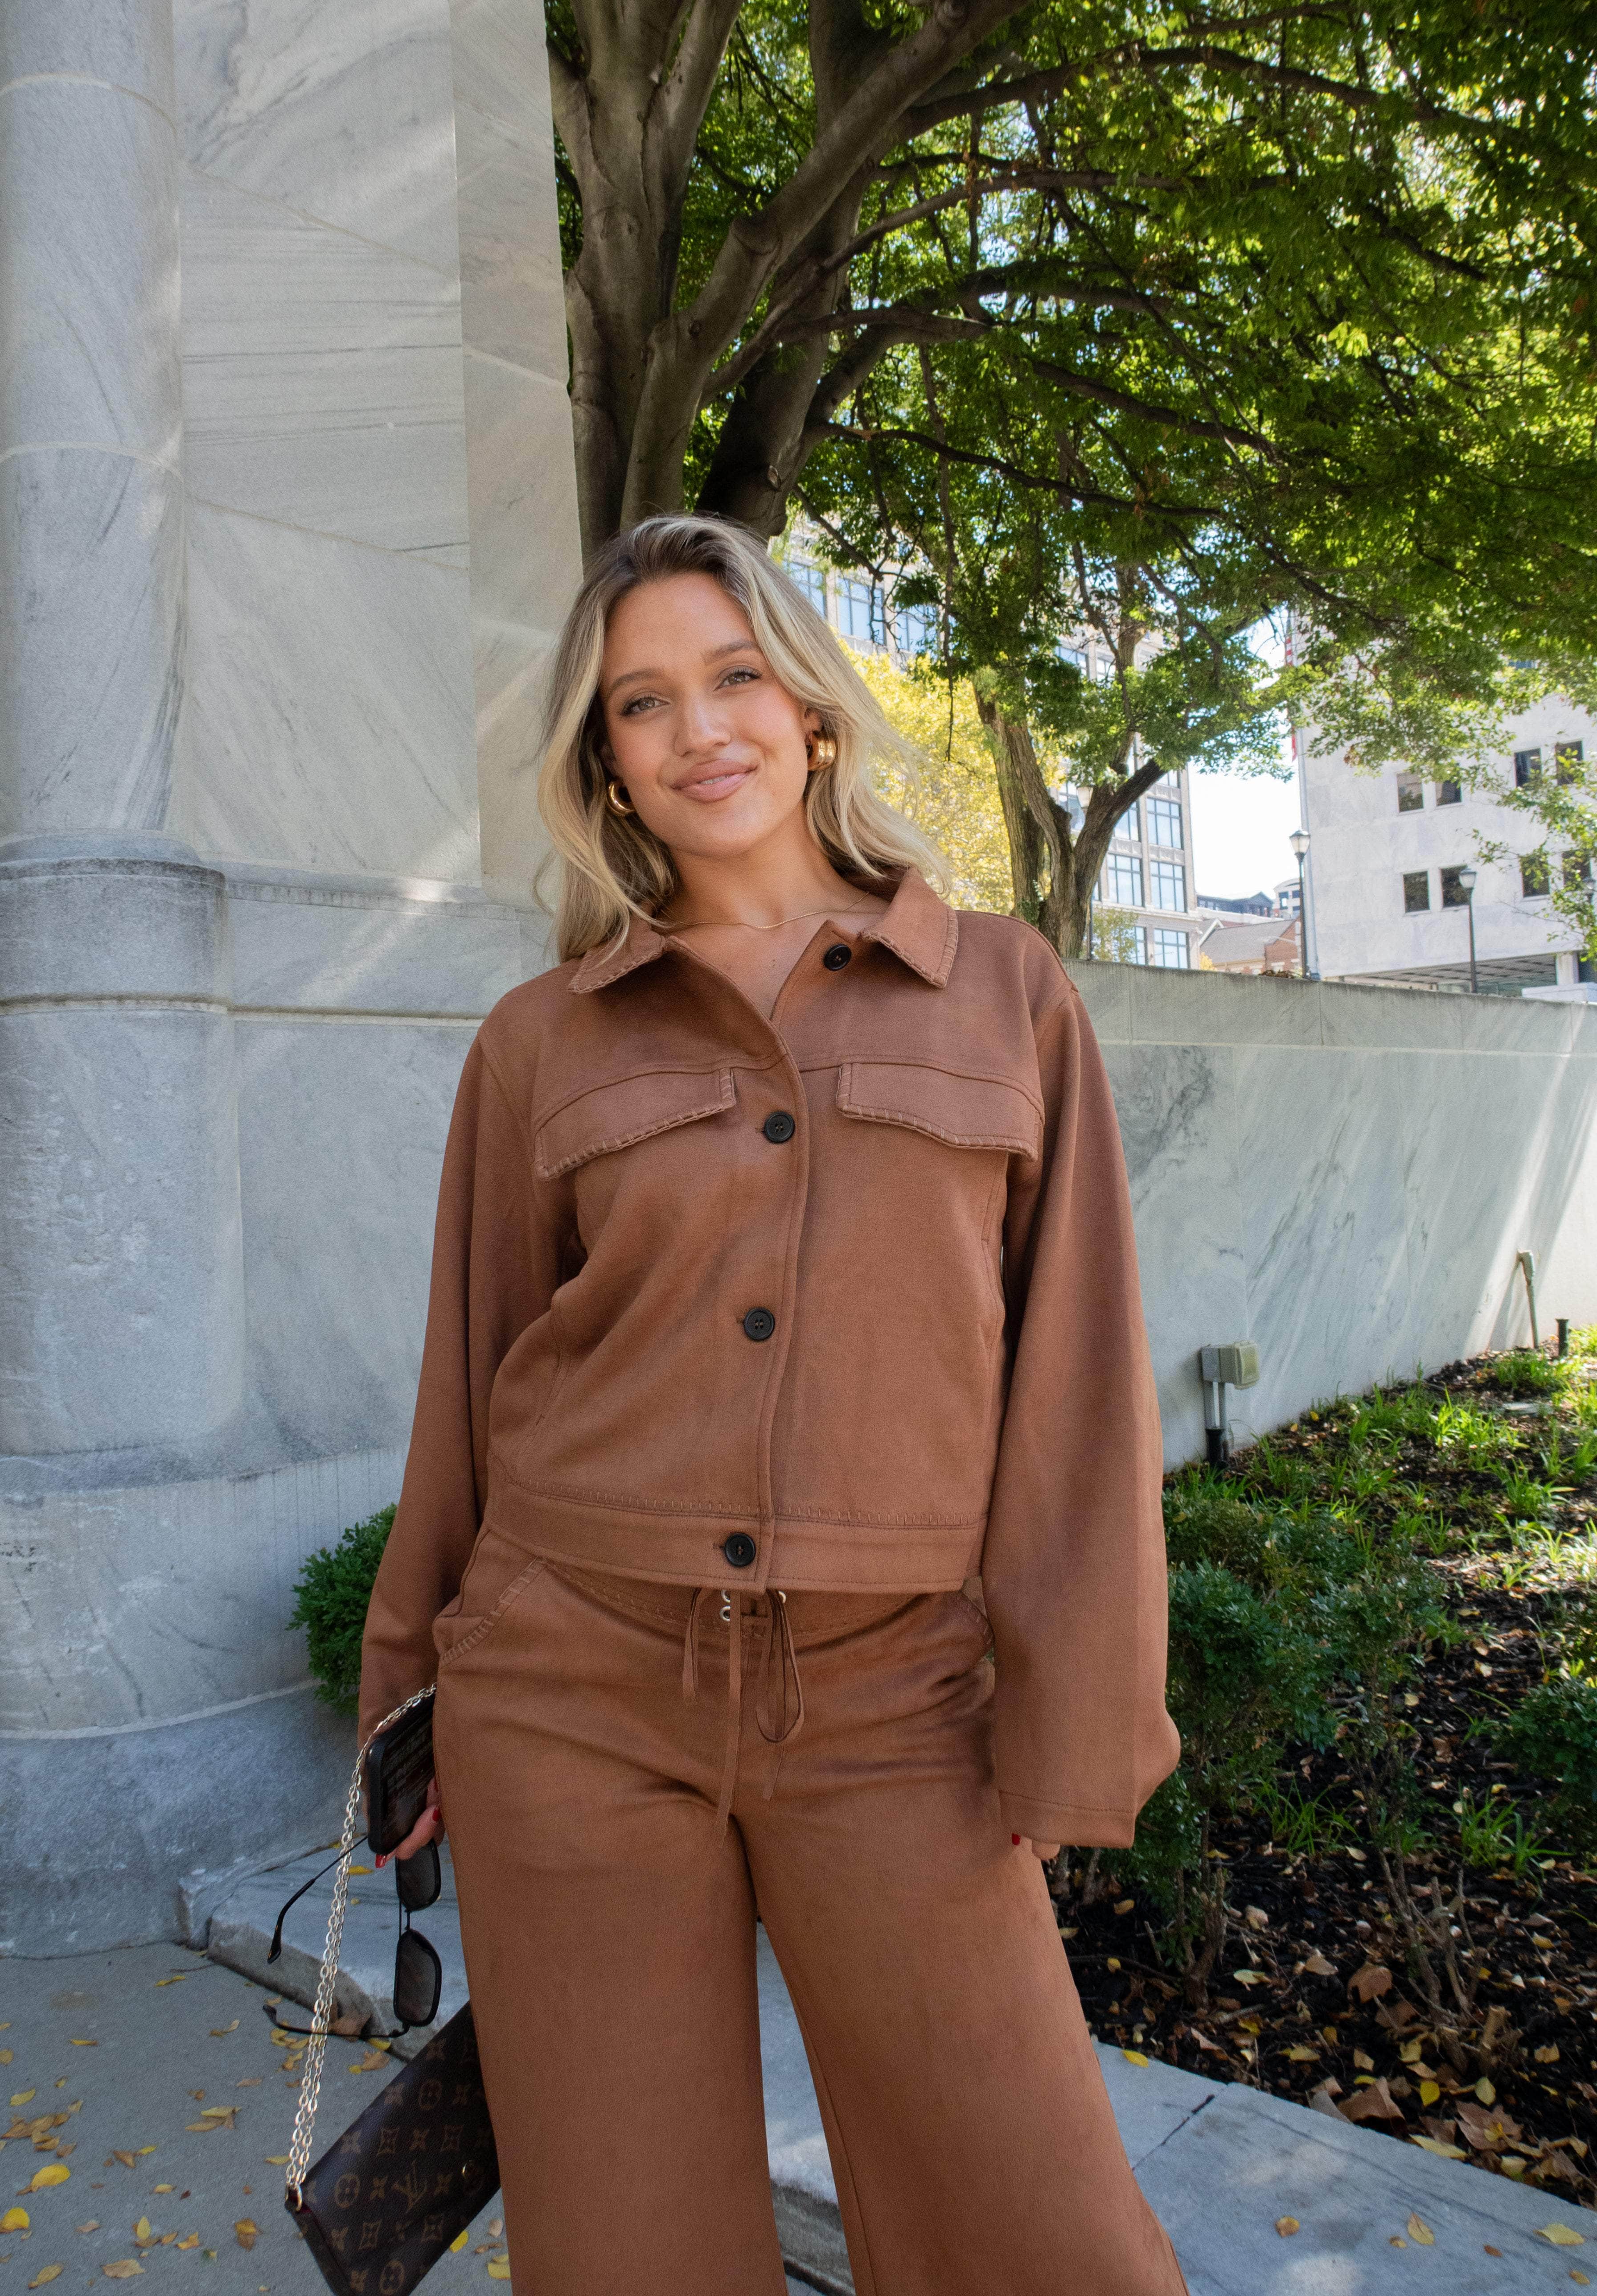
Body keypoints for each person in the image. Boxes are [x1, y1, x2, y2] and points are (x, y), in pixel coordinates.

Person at [358, 514, 1186, 2295]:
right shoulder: (540, 1041)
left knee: (1046, 2243)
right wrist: (405, 1688)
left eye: (735, 675)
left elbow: (1082, 1388)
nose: (700, 728)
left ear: (812, 709)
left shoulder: (1004, 997)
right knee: (627, 2255)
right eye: (642, 704)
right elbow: (474, 1376)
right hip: (569, 1692)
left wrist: (1075, 1718)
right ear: (613, 771)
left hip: (898, 1704)